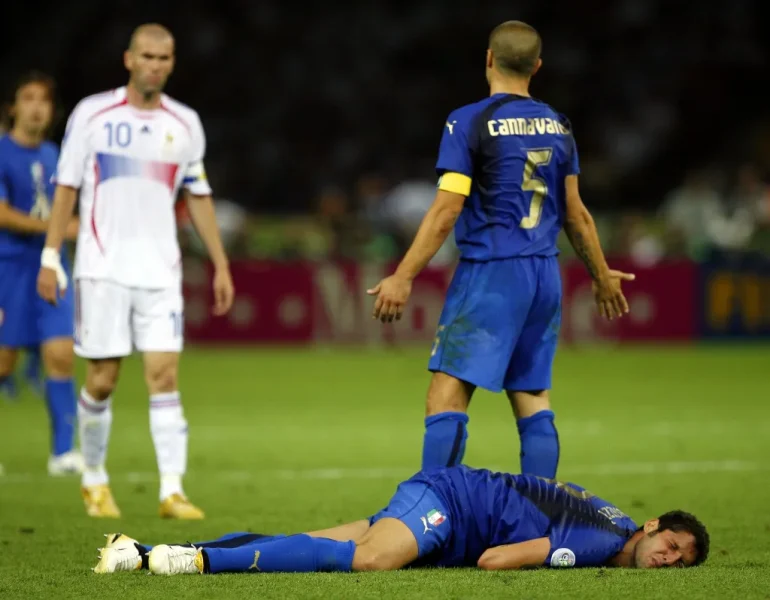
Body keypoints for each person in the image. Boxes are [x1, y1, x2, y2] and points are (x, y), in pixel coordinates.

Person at [367, 21, 635, 479]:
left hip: (492, 272)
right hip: (544, 275)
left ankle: (433, 508)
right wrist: (601, 273)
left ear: (488, 59)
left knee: (446, 393)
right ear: (537, 67)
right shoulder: (559, 124)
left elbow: (447, 210)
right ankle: (540, 512)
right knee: (531, 395)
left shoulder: (468, 120)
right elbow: (576, 214)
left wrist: (403, 275)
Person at [37, 23, 235, 519]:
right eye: (146, 56)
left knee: (164, 375)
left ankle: (172, 490)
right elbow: (65, 188)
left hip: (161, 271)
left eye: (163, 58)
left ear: (171, 63)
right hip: (102, 268)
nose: (154, 65)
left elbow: (199, 195)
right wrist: (49, 255)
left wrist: (220, 263)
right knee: (102, 379)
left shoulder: (185, 124)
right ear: (128, 59)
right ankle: (94, 478)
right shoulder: (92, 115)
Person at [92, 465, 709, 575]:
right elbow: (496, 559)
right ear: (652, 525)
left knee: (317, 543)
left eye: (680, 560)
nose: (670, 558)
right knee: (371, 559)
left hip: (456, 506)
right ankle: (195, 563)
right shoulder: (603, 540)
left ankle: (146, 550)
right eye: (673, 543)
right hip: (451, 502)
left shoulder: (614, 520)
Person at [0, 71, 82, 474]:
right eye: (28, 98)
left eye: (44, 100)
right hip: (8, 267)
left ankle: (63, 452)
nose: (36, 106)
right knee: (2, 364)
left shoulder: (55, 155)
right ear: (13, 107)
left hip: (52, 266)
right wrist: (57, 228)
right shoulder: (0, 152)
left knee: (61, 355)